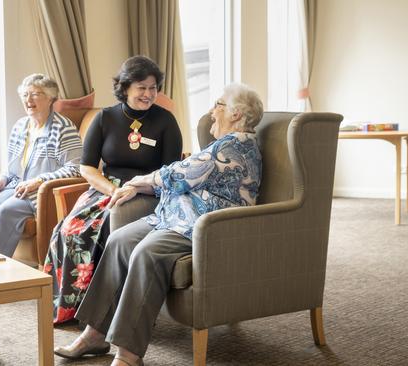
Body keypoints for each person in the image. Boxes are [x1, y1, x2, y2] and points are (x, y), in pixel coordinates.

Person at [54, 83, 264, 366]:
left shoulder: (236, 145)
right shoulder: (222, 144)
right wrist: (142, 187)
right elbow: (188, 177)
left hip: (203, 226)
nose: (213, 111)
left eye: (219, 104)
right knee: (119, 240)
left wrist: (138, 183)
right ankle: (95, 333)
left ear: (237, 114)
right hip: (171, 218)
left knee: (146, 253)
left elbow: (181, 172)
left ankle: (129, 353)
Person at [43, 55, 183, 324]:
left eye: (153, 87)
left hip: (145, 192)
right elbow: (87, 168)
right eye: (142, 87)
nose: (148, 93)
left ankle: (105, 313)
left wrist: (137, 188)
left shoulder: (166, 122)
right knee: (68, 229)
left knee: (106, 227)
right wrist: (110, 190)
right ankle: (71, 305)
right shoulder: (105, 118)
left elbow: (169, 174)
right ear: (126, 87)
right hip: (105, 189)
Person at [0, 74, 83, 257]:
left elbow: (75, 168)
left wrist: (38, 180)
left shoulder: (63, 127)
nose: (28, 100)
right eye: (25, 94)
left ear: (50, 98)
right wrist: (3, 178)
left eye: (35, 94)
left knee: (5, 211)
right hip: (17, 187)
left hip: (41, 192)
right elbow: (12, 166)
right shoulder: (21, 126)